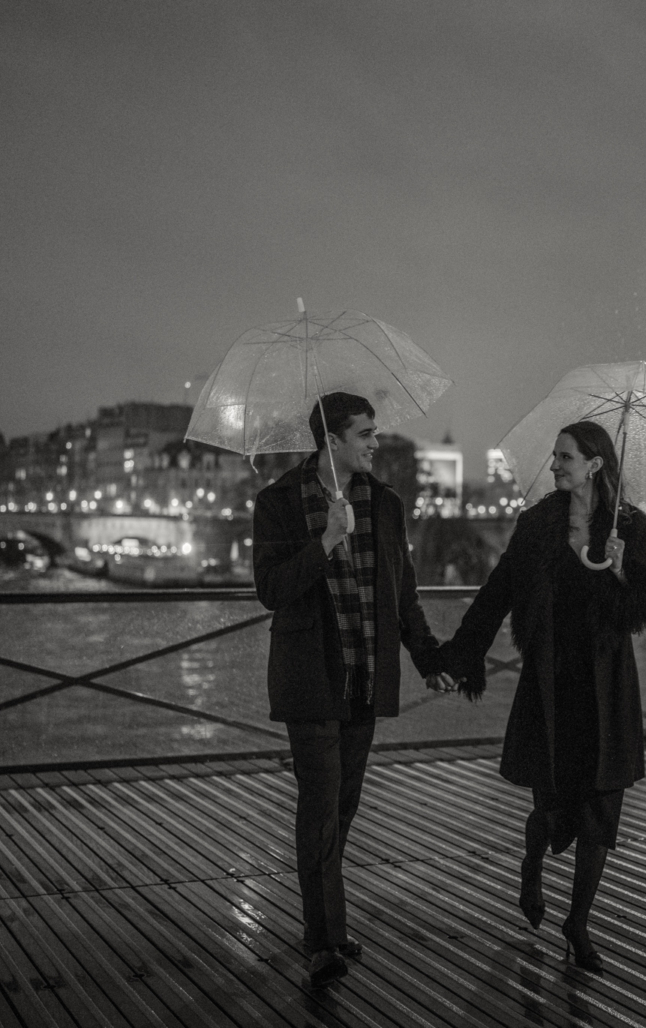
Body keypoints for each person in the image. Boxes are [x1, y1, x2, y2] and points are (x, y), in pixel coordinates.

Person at [438, 420, 646, 973]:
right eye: (556, 456)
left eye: (565, 456)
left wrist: (619, 572)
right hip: (552, 680)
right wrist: (459, 654)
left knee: (600, 806)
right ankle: (532, 866)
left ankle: (578, 924)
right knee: (551, 803)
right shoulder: (538, 523)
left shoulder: (628, 525)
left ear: (594, 464)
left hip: (606, 684)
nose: (556, 464)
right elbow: (499, 591)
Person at [252, 391, 454, 988]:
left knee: (342, 809)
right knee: (319, 808)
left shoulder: (386, 504)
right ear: (331, 441)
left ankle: (331, 926)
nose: (374, 442)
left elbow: (402, 593)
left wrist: (425, 656)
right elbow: (270, 589)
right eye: (364, 433)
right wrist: (324, 544)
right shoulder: (279, 503)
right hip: (312, 677)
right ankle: (320, 940)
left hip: (365, 676)